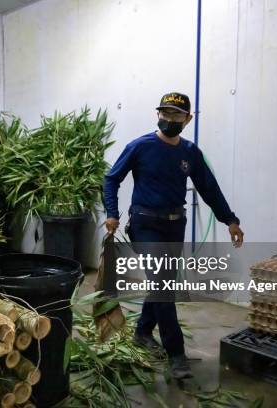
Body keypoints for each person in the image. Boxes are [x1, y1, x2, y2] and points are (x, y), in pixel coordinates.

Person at [103, 92, 244, 379]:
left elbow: (209, 188)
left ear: (187, 119)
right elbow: (111, 178)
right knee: (164, 288)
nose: (169, 119)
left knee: (161, 284)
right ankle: (176, 354)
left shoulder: (189, 152)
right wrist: (112, 212)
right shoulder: (140, 147)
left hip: (174, 225)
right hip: (145, 225)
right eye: (164, 113)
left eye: (176, 115)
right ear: (158, 115)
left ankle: (143, 331)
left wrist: (229, 219)